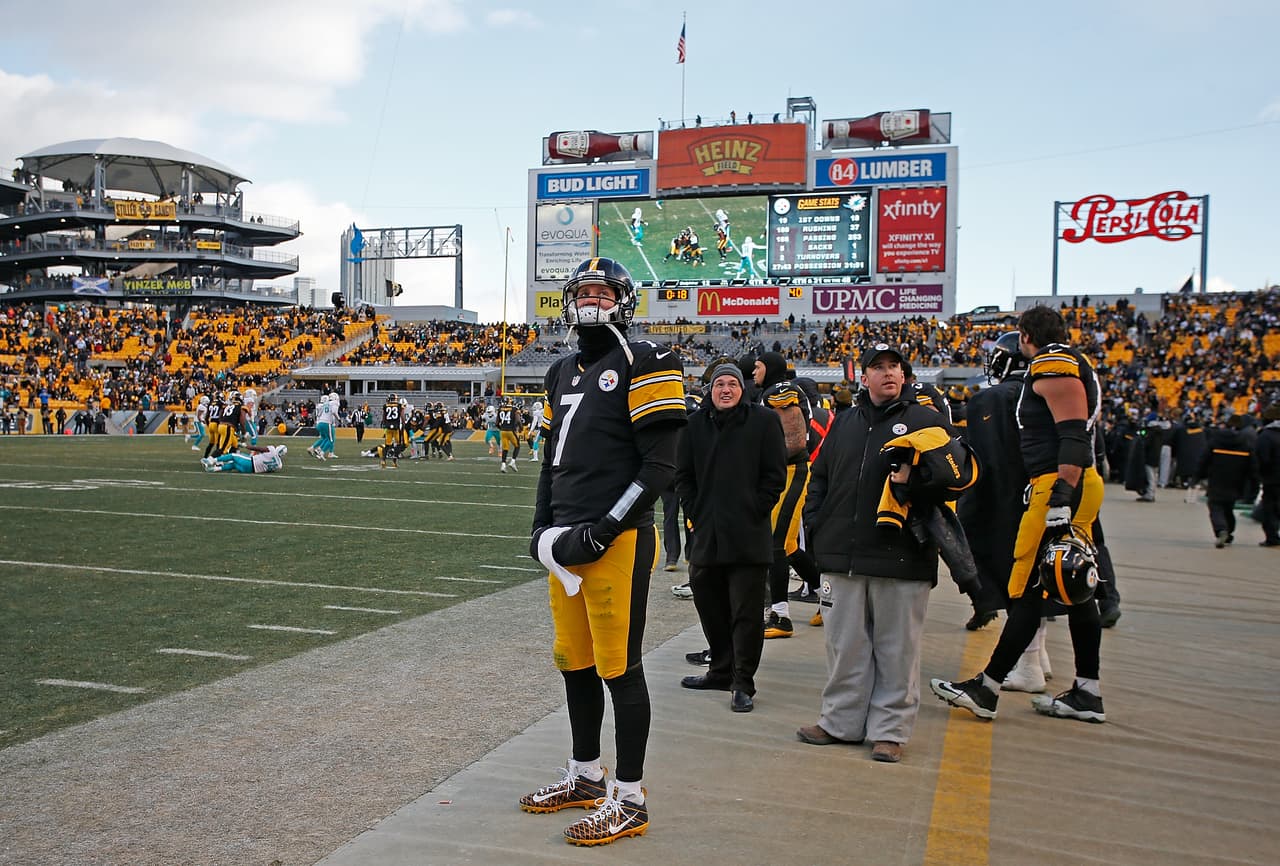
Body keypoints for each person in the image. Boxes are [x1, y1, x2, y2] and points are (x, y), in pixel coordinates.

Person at [521, 257, 686, 846]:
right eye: (582, 291)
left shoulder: (647, 359)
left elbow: (663, 463)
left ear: (624, 299)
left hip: (619, 538)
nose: (592, 301)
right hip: (565, 539)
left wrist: (609, 525)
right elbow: (550, 460)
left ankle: (632, 799)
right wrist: (542, 525)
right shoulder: (560, 368)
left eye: (603, 291)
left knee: (620, 666)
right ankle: (587, 775)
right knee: (575, 659)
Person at [797, 342, 976, 763]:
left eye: (895, 366)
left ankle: (890, 731)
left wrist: (913, 482)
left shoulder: (927, 422)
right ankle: (840, 722)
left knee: (897, 648)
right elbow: (819, 474)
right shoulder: (844, 422)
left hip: (902, 554)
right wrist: (816, 521)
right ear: (864, 377)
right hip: (843, 553)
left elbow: (958, 477)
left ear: (905, 376)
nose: (888, 373)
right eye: (879, 367)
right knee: (844, 644)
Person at [931, 306, 1108, 725]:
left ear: (1026, 336)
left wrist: (1061, 493)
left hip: (1058, 483)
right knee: (1073, 583)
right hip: (1071, 480)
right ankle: (1087, 690)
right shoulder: (1065, 359)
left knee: (1027, 587)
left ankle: (987, 687)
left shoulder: (1051, 361)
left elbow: (1072, 431)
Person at [676, 362, 785, 713]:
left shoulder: (764, 421)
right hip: (707, 533)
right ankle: (720, 670)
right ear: (710, 390)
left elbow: (775, 475)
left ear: (742, 389)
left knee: (745, 612)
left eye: (732, 384)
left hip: (747, 534)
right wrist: (696, 512)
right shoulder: (693, 425)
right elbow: (684, 476)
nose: (726, 389)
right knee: (710, 606)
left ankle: (743, 681)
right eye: (719, 384)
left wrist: (755, 508)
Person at [957, 331, 1029, 632]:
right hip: (1044, 491)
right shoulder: (1049, 389)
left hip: (1002, 495)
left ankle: (986, 603)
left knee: (977, 548)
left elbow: (983, 459)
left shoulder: (989, 399)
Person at [752, 351, 811, 639]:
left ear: (771, 368)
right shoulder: (770, 392)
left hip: (790, 472)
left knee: (776, 542)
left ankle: (781, 616)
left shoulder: (781, 391)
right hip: (780, 473)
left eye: (759, 366)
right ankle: (825, 591)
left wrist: (758, 459)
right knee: (785, 545)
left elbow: (796, 441)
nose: (754, 371)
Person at [1193, 414, 1257, 548]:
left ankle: (1221, 529)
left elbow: (1204, 459)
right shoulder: (1245, 443)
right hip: (1236, 480)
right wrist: (1253, 483)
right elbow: (1252, 465)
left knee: (1215, 506)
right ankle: (1229, 532)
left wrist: (1197, 477)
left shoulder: (1216, 440)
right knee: (1228, 508)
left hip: (1217, 479)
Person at [1257, 403, 1280, 547]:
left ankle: (1272, 537)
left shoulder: (1266, 435)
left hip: (1272, 479)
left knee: (1270, 508)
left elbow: (1262, 458)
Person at [202, 444, 287, 474]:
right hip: (251, 471)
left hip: (250, 462)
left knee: (233, 455)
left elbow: (258, 449)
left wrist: (245, 446)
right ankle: (214, 469)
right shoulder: (279, 465)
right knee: (234, 465)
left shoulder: (272, 450)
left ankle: (211, 461)